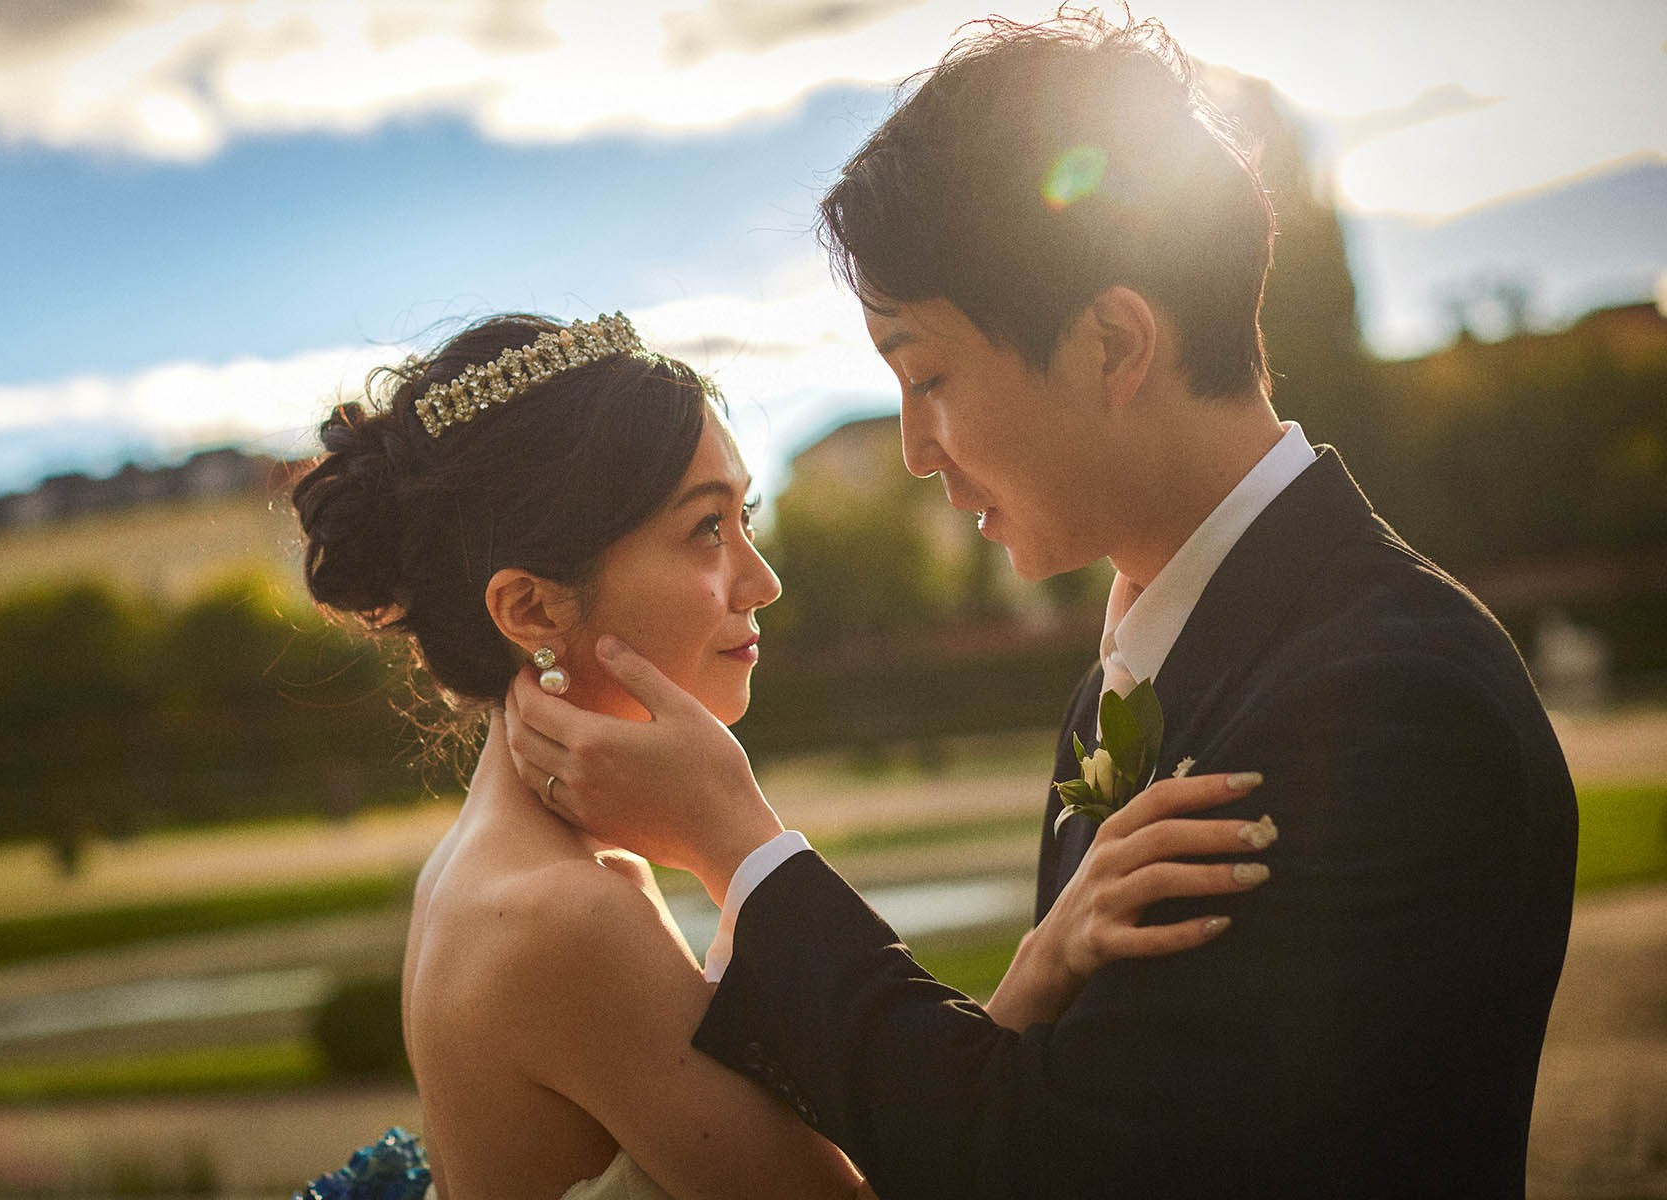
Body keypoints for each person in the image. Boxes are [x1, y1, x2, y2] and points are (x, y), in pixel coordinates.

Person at [503, 12, 1579, 1200]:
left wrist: (739, 847)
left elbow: (1054, 1165)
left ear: (1114, 342)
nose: (916, 448)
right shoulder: (1132, 684)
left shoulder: (1386, 701)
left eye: (928, 376)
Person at [290, 311, 1266, 1199]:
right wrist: (736, 833)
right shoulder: (567, 913)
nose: (761, 580)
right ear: (531, 609)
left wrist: (1038, 963)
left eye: (744, 519)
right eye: (705, 529)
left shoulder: (489, 868)